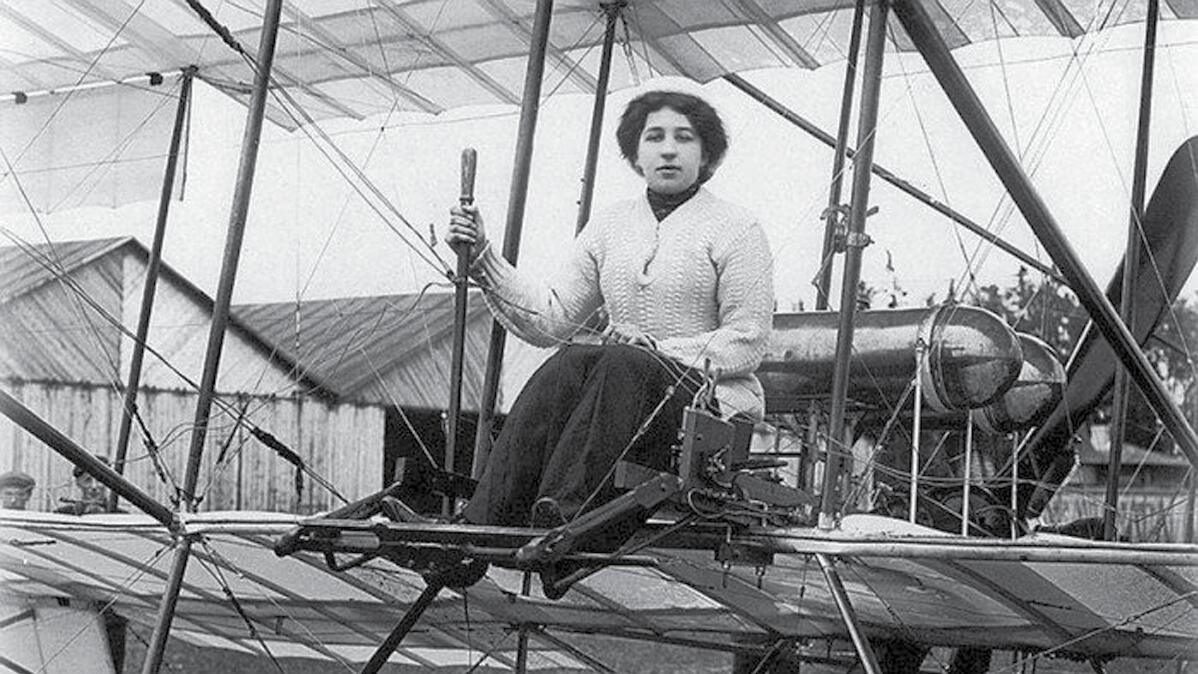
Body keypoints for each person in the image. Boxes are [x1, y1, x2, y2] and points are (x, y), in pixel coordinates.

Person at [445, 90, 774, 593]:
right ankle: (478, 526)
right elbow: (550, 318)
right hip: (625, 394)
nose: (669, 150)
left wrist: (657, 351)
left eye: (684, 138)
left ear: (706, 154)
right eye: (654, 137)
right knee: (570, 359)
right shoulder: (610, 225)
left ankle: (568, 515)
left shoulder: (737, 228)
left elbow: (748, 341)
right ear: (635, 154)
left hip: (708, 408)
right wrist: (483, 257)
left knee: (623, 362)